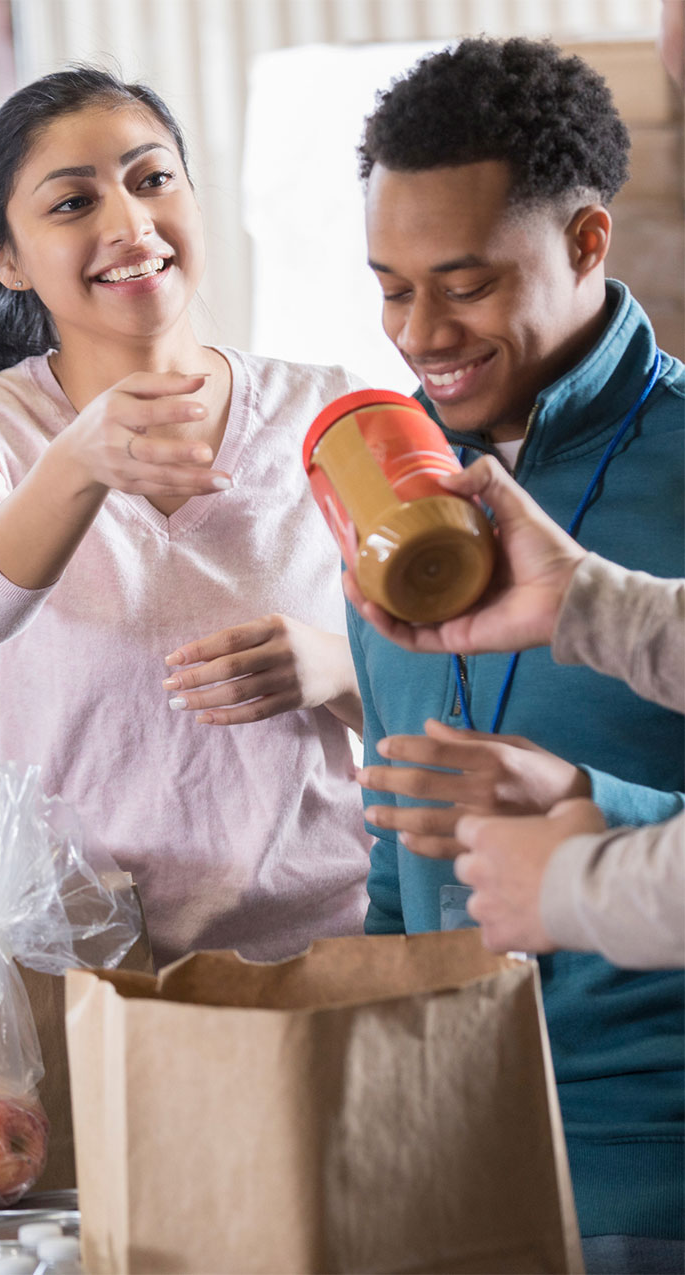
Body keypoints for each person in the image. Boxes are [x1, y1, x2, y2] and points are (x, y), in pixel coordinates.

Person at [0, 69, 369, 966]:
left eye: (152, 180)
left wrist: (334, 669)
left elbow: (445, 701)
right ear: (8, 259)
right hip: (97, 968)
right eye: (73, 203)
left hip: (334, 949)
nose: (127, 223)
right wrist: (81, 456)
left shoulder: (332, 409)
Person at [348, 38, 682, 1269]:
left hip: (650, 1168)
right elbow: (397, 857)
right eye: (389, 288)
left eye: (464, 283)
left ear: (588, 243)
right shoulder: (390, 503)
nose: (420, 334)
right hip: (437, 1160)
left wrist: (598, 808)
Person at [344, 455, 683, 969]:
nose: (429, 366)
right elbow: (394, 853)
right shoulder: (372, 479)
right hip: (449, 1030)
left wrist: (590, 815)